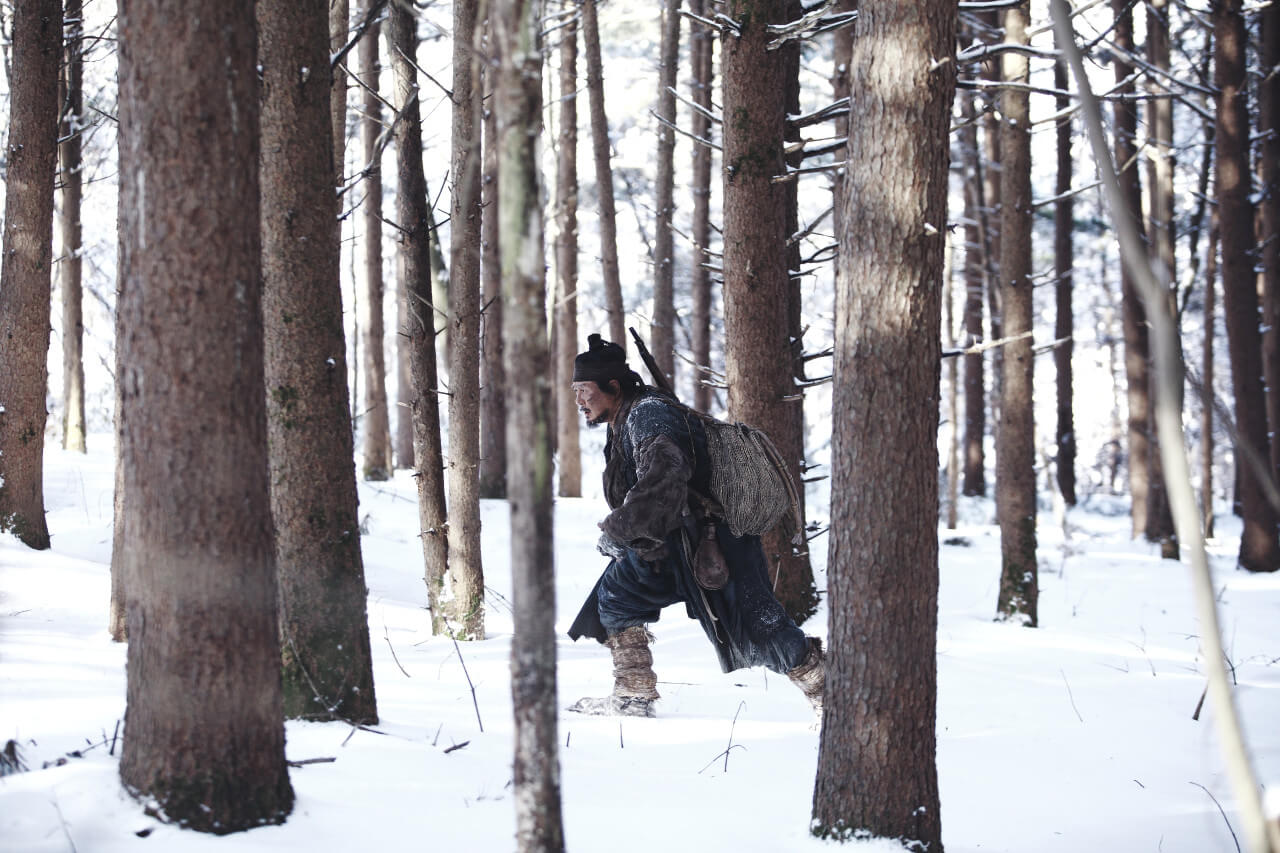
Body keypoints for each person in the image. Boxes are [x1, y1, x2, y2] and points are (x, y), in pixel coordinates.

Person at [566, 333, 824, 719]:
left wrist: (618, 529)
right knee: (618, 595)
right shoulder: (625, 418)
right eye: (575, 391)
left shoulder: (648, 415)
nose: (579, 401)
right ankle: (633, 694)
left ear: (613, 386)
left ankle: (830, 690)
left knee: (762, 628)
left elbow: (665, 476)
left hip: (714, 541)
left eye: (584, 390)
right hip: (673, 545)